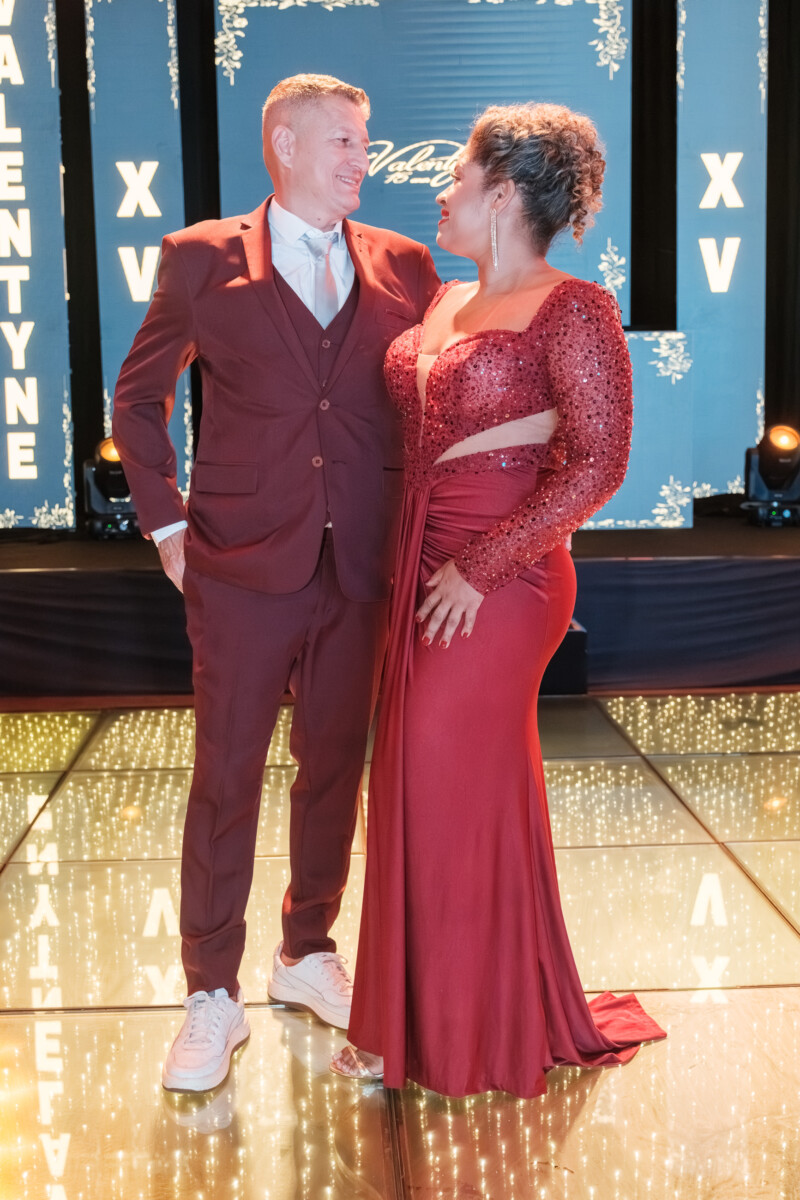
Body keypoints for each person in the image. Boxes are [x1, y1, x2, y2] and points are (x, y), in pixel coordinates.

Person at [112, 74, 440, 1093]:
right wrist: (168, 522)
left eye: (364, 142)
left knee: (333, 767)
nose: (361, 159)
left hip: (362, 564)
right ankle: (210, 990)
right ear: (284, 145)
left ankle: (306, 951)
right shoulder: (198, 257)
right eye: (342, 141)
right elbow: (138, 400)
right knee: (226, 776)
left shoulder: (405, 264)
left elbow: (431, 397)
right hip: (240, 565)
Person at [331, 102, 666, 1096]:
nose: (441, 193)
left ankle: (454, 1030)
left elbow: (598, 464)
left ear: (505, 194)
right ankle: (415, 1021)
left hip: (503, 578)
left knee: (439, 776)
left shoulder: (574, 309)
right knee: (416, 784)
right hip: (418, 560)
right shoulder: (443, 300)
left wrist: (482, 564)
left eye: (457, 177)